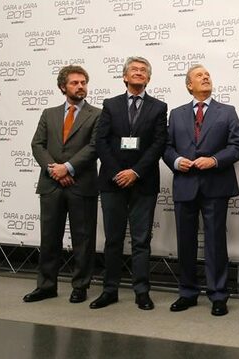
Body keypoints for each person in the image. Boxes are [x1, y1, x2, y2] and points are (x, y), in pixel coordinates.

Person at [162, 65, 239, 316]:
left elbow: (237, 146)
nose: (206, 77)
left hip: (216, 185)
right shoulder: (176, 114)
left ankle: (218, 295)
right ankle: (187, 293)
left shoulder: (227, 111)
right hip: (185, 185)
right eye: (199, 75)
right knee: (185, 242)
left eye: (208, 74)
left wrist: (214, 160)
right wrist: (177, 161)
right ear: (189, 85)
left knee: (215, 242)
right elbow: (166, 147)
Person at [90, 56, 168, 311]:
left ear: (149, 78)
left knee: (141, 240)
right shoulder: (110, 105)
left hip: (143, 182)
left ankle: (142, 291)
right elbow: (101, 141)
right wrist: (118, 172)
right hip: (112, 182)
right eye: (134, 69)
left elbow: (158, 144)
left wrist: (135, 172)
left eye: (143, 70)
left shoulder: (159, 107)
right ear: (125, 76)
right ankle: (109, 290)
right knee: (113, 240)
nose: (138, 72)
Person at [25, 65, 101, 304]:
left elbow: (94, 147)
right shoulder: (49, 114)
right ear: (62, 87)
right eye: (75, 83)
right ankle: (46, 286)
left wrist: (67, 167)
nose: (80, 86)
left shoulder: (98, 115)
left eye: (83, 82)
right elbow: (37, 145)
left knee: (83, 239)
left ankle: (80, 286)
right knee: (49, 238)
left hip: (82, 184)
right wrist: (55, 170)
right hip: (52, 185)